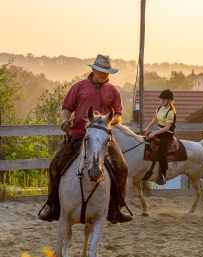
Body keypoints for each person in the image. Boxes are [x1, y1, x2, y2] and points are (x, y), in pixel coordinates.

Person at [38, 54, 133, 224]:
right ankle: (50, 205)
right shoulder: (79, 86)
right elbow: (67, 108)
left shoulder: (113, 91)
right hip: (77, 134)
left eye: (106, 72)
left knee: (122, 167)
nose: (103, 75)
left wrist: (112, 120)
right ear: (94, 70)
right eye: (101, 71)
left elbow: (118, 113)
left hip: (103, 137)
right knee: (55, 164)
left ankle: (116, 208)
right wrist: (64, 120)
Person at [144, 89, 176, 185]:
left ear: (169, 100)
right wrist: (147, 128)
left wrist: (154, 133)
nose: (161, 101)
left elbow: (166, 128)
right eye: (161, 100)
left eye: (163, 100)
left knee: (162, 154)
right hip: (159, 132)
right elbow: (155, 118)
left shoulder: (171, 112)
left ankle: (162, 175)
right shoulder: (159, 108)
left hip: (167, 135)